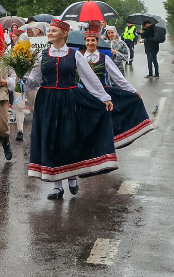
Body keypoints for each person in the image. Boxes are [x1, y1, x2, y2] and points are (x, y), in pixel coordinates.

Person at [25, 20, 116, 200]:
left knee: (69, 138)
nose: (49, 33)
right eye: (49, 31)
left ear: (64, 34)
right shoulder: (42, 55)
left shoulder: (75, 55)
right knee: (52, 140)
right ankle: (57, 186)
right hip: (47, 101)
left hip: (69, 100)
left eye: (53, 31)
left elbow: (89, 78)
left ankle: (72, 176)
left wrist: (104, 98)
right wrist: (21, 81)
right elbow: (34, 80)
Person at [81, 31, 153, 148]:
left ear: (97, 42)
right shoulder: (80, 58)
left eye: (92, 40)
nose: (90, 43)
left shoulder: (104, 58)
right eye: (88, 40)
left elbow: (118, 78)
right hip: (85, 95)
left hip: (102, 95)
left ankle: (101, 146)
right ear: (85, 42)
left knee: (101, 121)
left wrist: (132, 91)